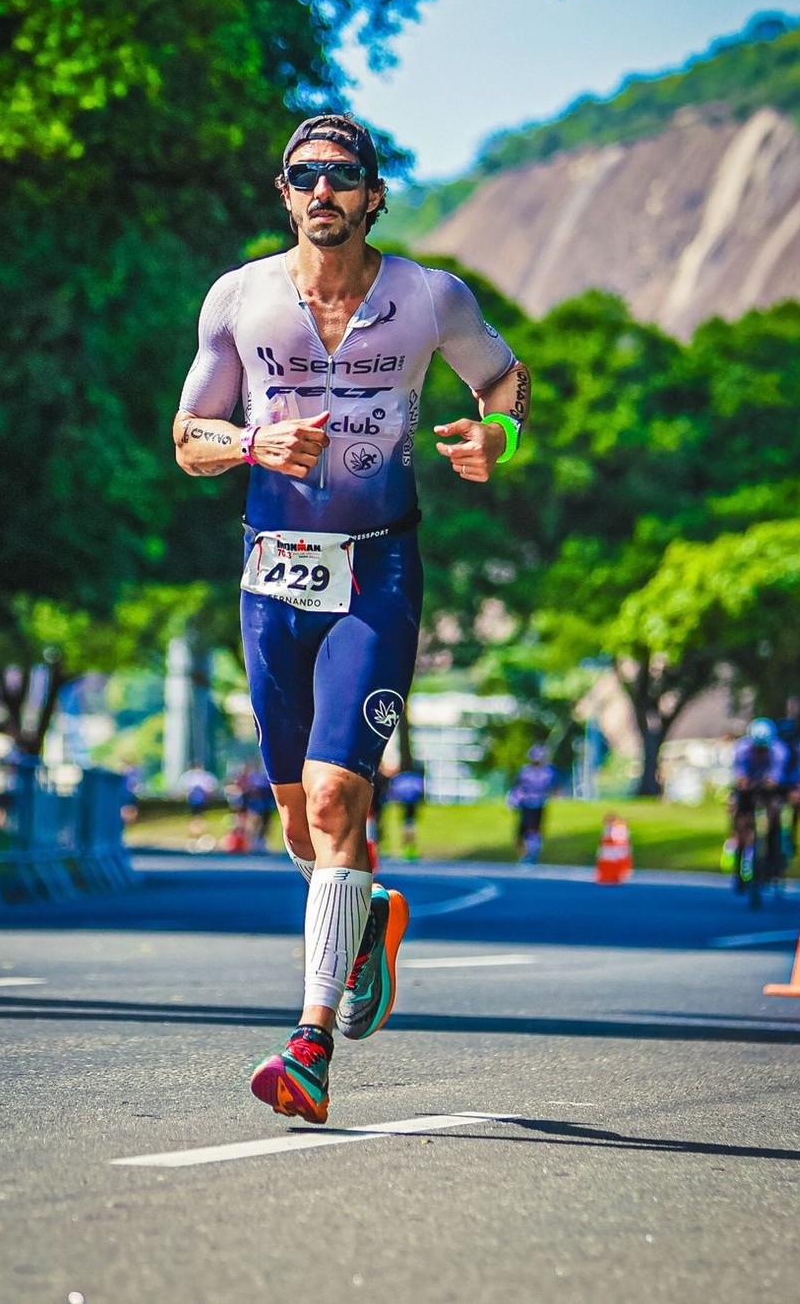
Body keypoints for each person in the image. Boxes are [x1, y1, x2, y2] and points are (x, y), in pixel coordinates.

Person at [174, 111, 529, 1124]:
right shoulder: (239, 299)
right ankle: (366, 917)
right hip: (272, 575)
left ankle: (310, 1044)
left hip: (379, 571)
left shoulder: (429, 297)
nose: (322, 189)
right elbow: (187, 436)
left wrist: (498, 433)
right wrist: (251, 447)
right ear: (284, 194)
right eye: (303, 175)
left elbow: (505, 381)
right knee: (298, 819)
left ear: (373, 194)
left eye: (342, 175)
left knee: (337, 802)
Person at [729, 717, 787, 891]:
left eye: (763, 748)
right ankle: (738, 869)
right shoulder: (741, 748)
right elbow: (740, 776)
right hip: (747, 789)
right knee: (741, 823)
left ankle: (772, 860)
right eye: (757, 748)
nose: (760, 751)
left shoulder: (779, 750)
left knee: (774, 816)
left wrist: (771, 782)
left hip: (768, 789)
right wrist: (743, 782)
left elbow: (777, 777)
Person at [507, 745, 557, 864]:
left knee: (535, 830)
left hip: (538, 804)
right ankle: (524, 855)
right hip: (526, 804)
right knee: (522, 831)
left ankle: (532, 854)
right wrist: (513, 799)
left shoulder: (547, 771)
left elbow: (553, 787)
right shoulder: (525, 770)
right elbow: (517, 786)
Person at [774, 719, 800, 860]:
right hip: (775, 787)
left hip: (791, 786)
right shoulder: (776, 750)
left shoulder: (797, 751)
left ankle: (793, 834)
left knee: (798, 805)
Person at [388, 764, 425, 861]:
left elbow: (395, 793)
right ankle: (408, 850)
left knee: (409, 830)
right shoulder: (414, 779)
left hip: (409, 809)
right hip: (409, 809)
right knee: (409, 830)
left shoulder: (402, 779)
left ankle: (409, 850)